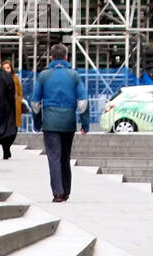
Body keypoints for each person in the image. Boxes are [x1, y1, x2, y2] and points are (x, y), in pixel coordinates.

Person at [30, 43, 89, 202]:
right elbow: (83, 101)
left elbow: (35, 103)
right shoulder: (74, 75)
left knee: (54, 157)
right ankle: (67, 190)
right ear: (66, 57)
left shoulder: (44, 76)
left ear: (51, 57)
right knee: (65, 156)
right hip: (68, 122)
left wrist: (37, 122)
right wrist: (85, 124)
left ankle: (57, 192)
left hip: (50, 122)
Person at [2, 59, 23, 159]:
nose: (7, 70)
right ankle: (5, 149)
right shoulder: (0, 78)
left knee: (14, 129)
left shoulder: (16, 79)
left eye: (8, 68)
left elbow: (20, 92)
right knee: (5, 129)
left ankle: (7, 147)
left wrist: (18, 100)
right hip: (4, 108)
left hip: (15, 107)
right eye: (4, 68)